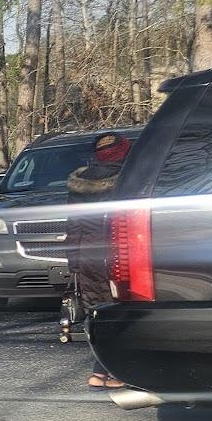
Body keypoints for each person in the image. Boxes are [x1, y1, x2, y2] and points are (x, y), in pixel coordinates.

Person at [66, 133, 131, 389]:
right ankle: (115, 372)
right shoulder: (130, 179)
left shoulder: (80, 183)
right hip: (118, 255)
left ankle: (99, 372)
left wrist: (74, 263)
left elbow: (73, 226)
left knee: (97, 314)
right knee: (121, 314)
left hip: (88, 258)